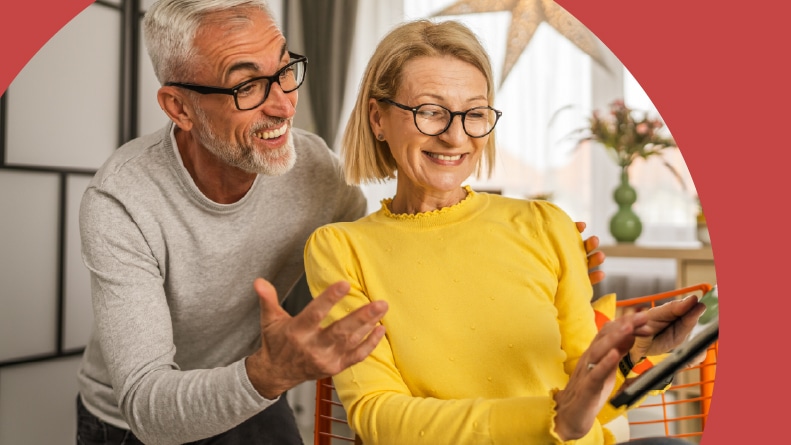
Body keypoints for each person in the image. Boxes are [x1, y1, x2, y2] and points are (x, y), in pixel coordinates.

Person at [73, 1, 605, 444]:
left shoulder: (313, 170)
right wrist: (270, 372)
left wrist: (544, 264)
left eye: (284, 71)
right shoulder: (121, 200)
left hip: (256, 384)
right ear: (179, 108)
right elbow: (146, 401)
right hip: (138, 418)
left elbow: (388, 260)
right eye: (247, 86)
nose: (283, 105)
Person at [303, 19, 706, 445]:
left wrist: (631, 357)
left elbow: (585, 397)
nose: (455, 136)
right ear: (377, 118)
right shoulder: (341, 249)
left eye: (474, 113)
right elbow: (377, 414)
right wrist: (551, 417)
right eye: (430, 111)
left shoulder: (545, 224)